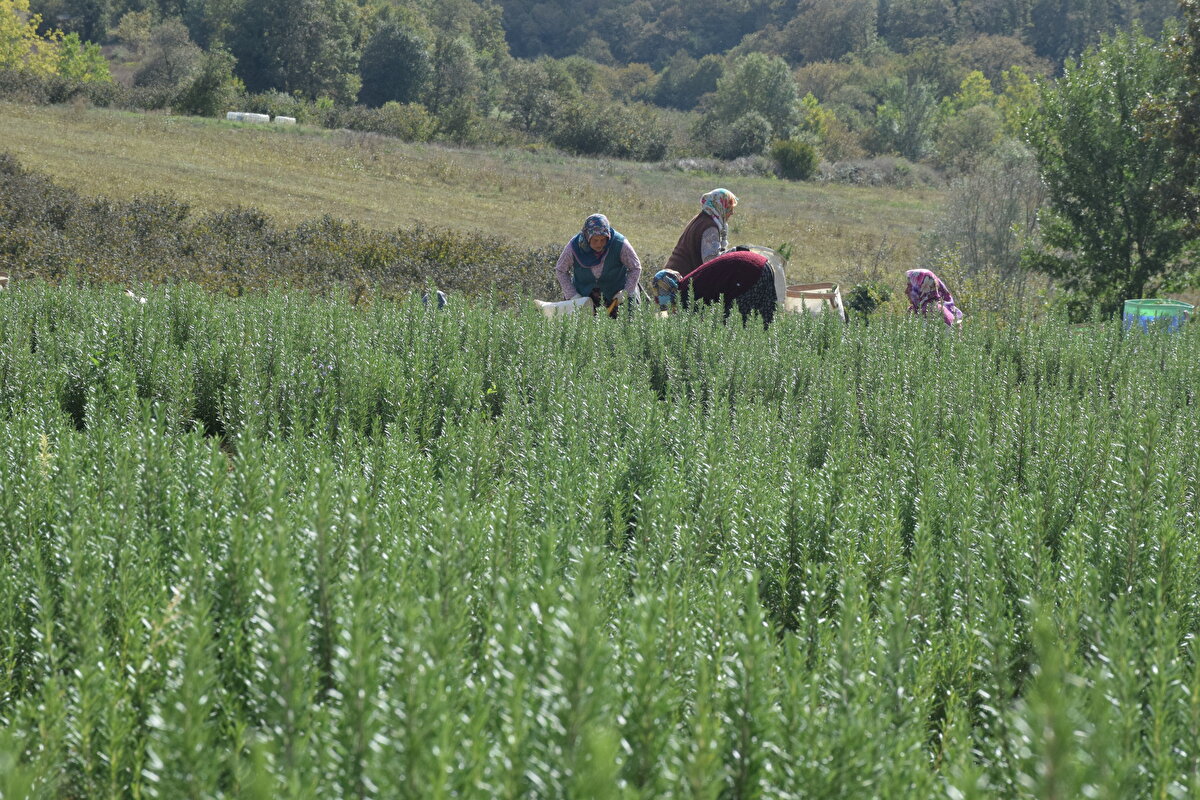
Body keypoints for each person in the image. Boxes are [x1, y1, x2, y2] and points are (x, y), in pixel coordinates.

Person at [652, 248, 777, 327]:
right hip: (758, 264)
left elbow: (699, 324)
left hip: (747, 271)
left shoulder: (685, 298)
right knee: (763, 320)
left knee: (737, 326)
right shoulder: (685, 284)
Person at [555, 213, 642, 317]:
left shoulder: (619, 243)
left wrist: (626, 292)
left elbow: (635, 268)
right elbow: (561, 270)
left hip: (616, 295)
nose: (599, 244)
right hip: (583, 296)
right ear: (587, 236)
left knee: (626, 326)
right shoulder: (574, 246)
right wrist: (573, 295)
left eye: (603, 240)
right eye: (595, 240)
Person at [663, 188, 738, 278]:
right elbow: (711, 261)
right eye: (729, 208)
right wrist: (735, 252)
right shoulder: (710, 227)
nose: (732, 212)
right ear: (720, 206)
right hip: (682, 279)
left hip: (672, 276)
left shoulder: (701, 219)